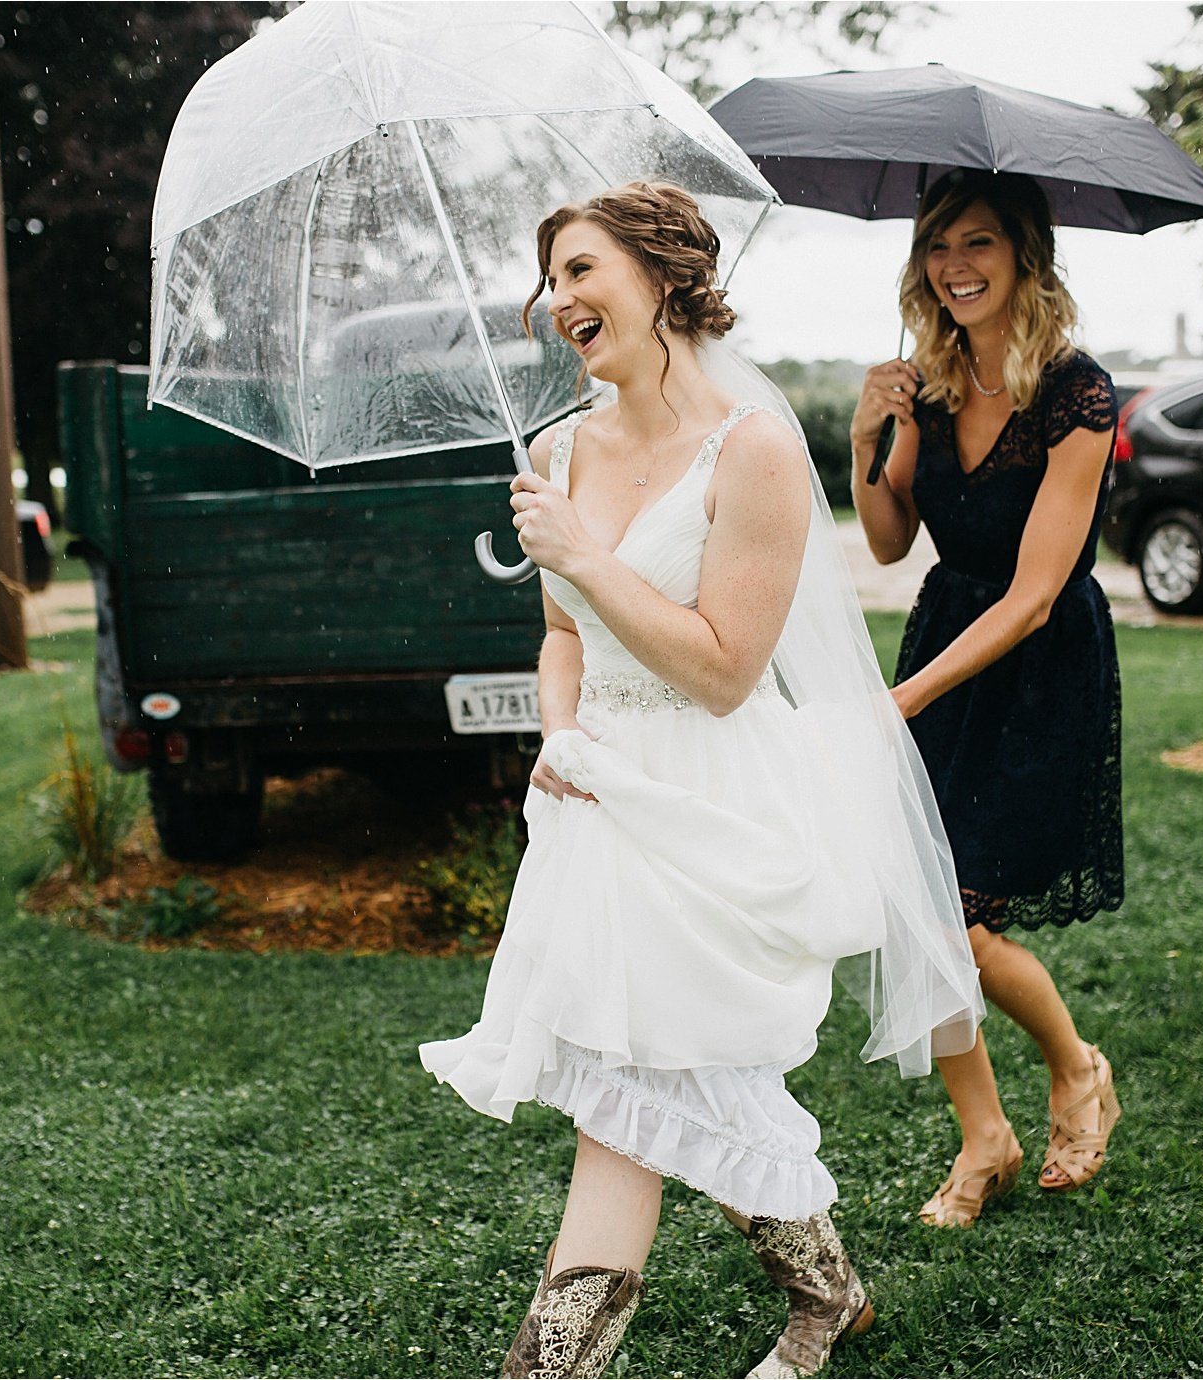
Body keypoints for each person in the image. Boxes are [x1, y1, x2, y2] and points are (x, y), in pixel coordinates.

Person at [420, 181, 985, 1380]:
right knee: (646, 1079)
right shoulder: (558, 448)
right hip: (593, 797)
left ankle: (564, 1366)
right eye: (550, 277)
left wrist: (578, 552)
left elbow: (726, 670)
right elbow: (563, 634)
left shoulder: (757, 447)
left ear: (664, 273)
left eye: (580, 269)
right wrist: (557, 733)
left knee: (659, 1080)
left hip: (709, 792)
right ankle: (825, 1295)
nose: (555, 298)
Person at [848, 168, 1125, 1230]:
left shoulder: (1075, 391)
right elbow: (884, 537)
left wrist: (904, 696)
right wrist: (866, 441)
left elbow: (1037, 592)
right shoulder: (926, 379)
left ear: (1022, 256)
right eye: (937, 247)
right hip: (942, 641)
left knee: (957, 920)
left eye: (976, 245)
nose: (953, 267)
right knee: (917, 909)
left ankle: (1073, 1069)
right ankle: (984, 1140)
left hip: (1035, 666)